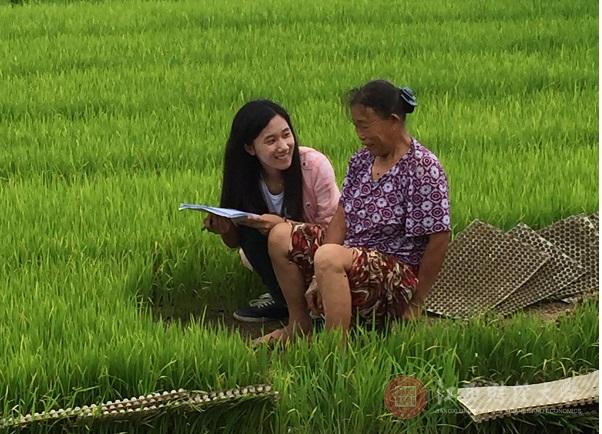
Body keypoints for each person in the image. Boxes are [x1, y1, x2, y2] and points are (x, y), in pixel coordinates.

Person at [256, 80, 451, 344]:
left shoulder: (423, 168)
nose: (359, 134)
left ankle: (335, 349)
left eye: (365, 125)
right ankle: (299, 324)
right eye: (356, 125)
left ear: (393, 121)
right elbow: (342, 216)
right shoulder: (361, 160)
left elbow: (438, 239)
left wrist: (417, 303)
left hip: (394, 275)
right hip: (349, 256)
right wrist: (318, 274)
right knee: (281, 235)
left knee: (329, 256)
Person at [203, 100, 340, 322]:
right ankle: (284, 301)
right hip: (276, 259)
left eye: (286, 135)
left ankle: (310, 308)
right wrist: (225, 229)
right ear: (250, 148)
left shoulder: (314, 165)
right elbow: (237, 243)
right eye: (271, 140)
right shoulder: (243, 178)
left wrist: (283, 226)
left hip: (322, 252)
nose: (283, 146)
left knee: (278, 234)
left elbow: (335, 230)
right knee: (251, 231)